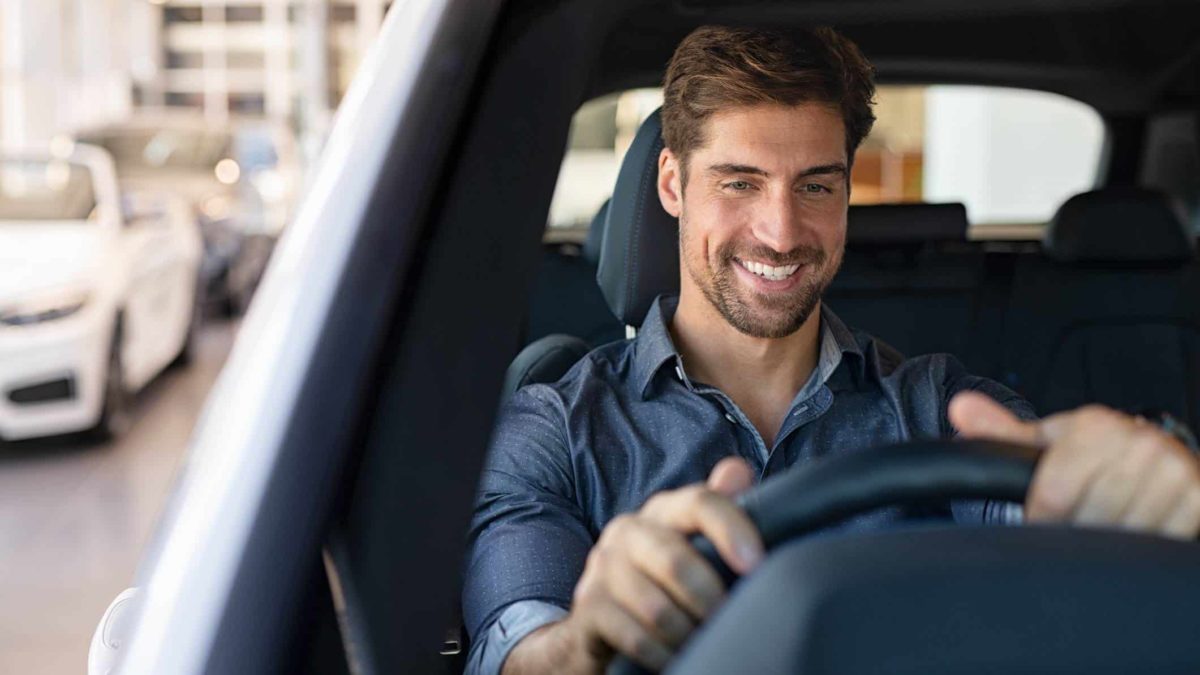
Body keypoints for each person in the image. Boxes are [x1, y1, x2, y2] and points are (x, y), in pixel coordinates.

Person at [462, 25, 1200, 675]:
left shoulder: (943, 410)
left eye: (815, 185)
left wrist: (1140, 502)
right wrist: (590, 636)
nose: (781, 232)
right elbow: (521, 648)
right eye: (740, 183)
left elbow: (1061, 543)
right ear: (671, 185)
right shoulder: (553, 426)